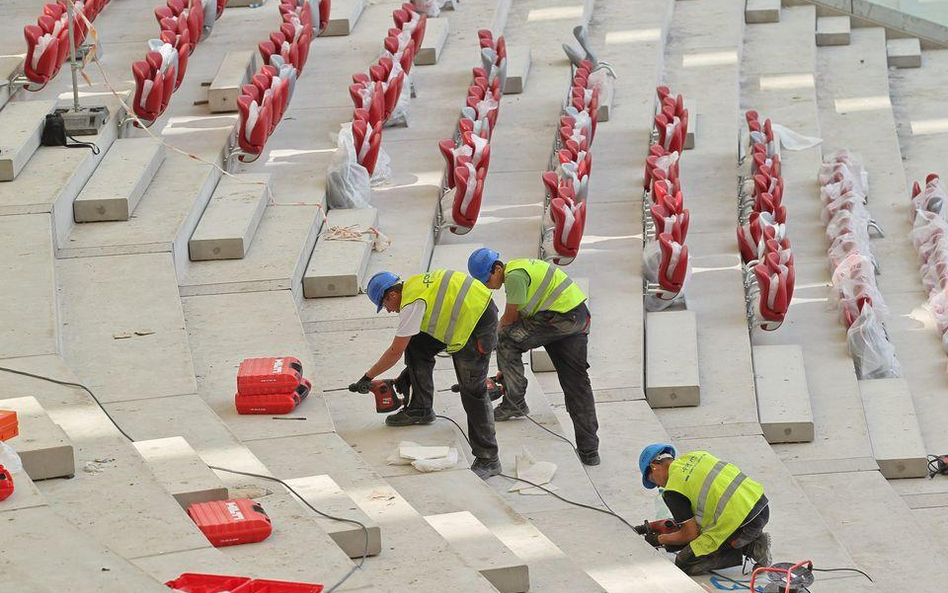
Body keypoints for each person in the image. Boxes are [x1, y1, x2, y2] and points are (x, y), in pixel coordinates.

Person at [350, 269, 502, 480]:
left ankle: (489, 458)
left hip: (477, 323)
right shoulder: (414, 285)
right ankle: (421, 408)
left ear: (392, 295)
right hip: (466, 312)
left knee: (472, 391)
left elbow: (395, 351)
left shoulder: (412, 303)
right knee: (416, 346)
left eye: (384, 305)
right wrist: (408, 374)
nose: (388, 310)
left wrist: (367, 377)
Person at [467, 248, 600, 466]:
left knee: (506, 340)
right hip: (576, 319)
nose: (487, 285)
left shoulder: (514, 277)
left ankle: (514, 401)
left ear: (498, 268)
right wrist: (508, 369)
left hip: (558, 320)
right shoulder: (523, 267)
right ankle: (589, 450)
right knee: (577, 385)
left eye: (487, 279)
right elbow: (521, 316)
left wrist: (495, 340)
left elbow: (509, 318)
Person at [638, 444, 772, 575]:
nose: (656, 486)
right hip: (761, 505)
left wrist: (659, 540)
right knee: (694, 534)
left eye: (652, 480)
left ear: (654, 467)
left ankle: (752, 546)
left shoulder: (672, 490)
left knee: (684, 562)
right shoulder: (697, 455)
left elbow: (690, 535)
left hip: (742, 524)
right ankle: (750, 541)